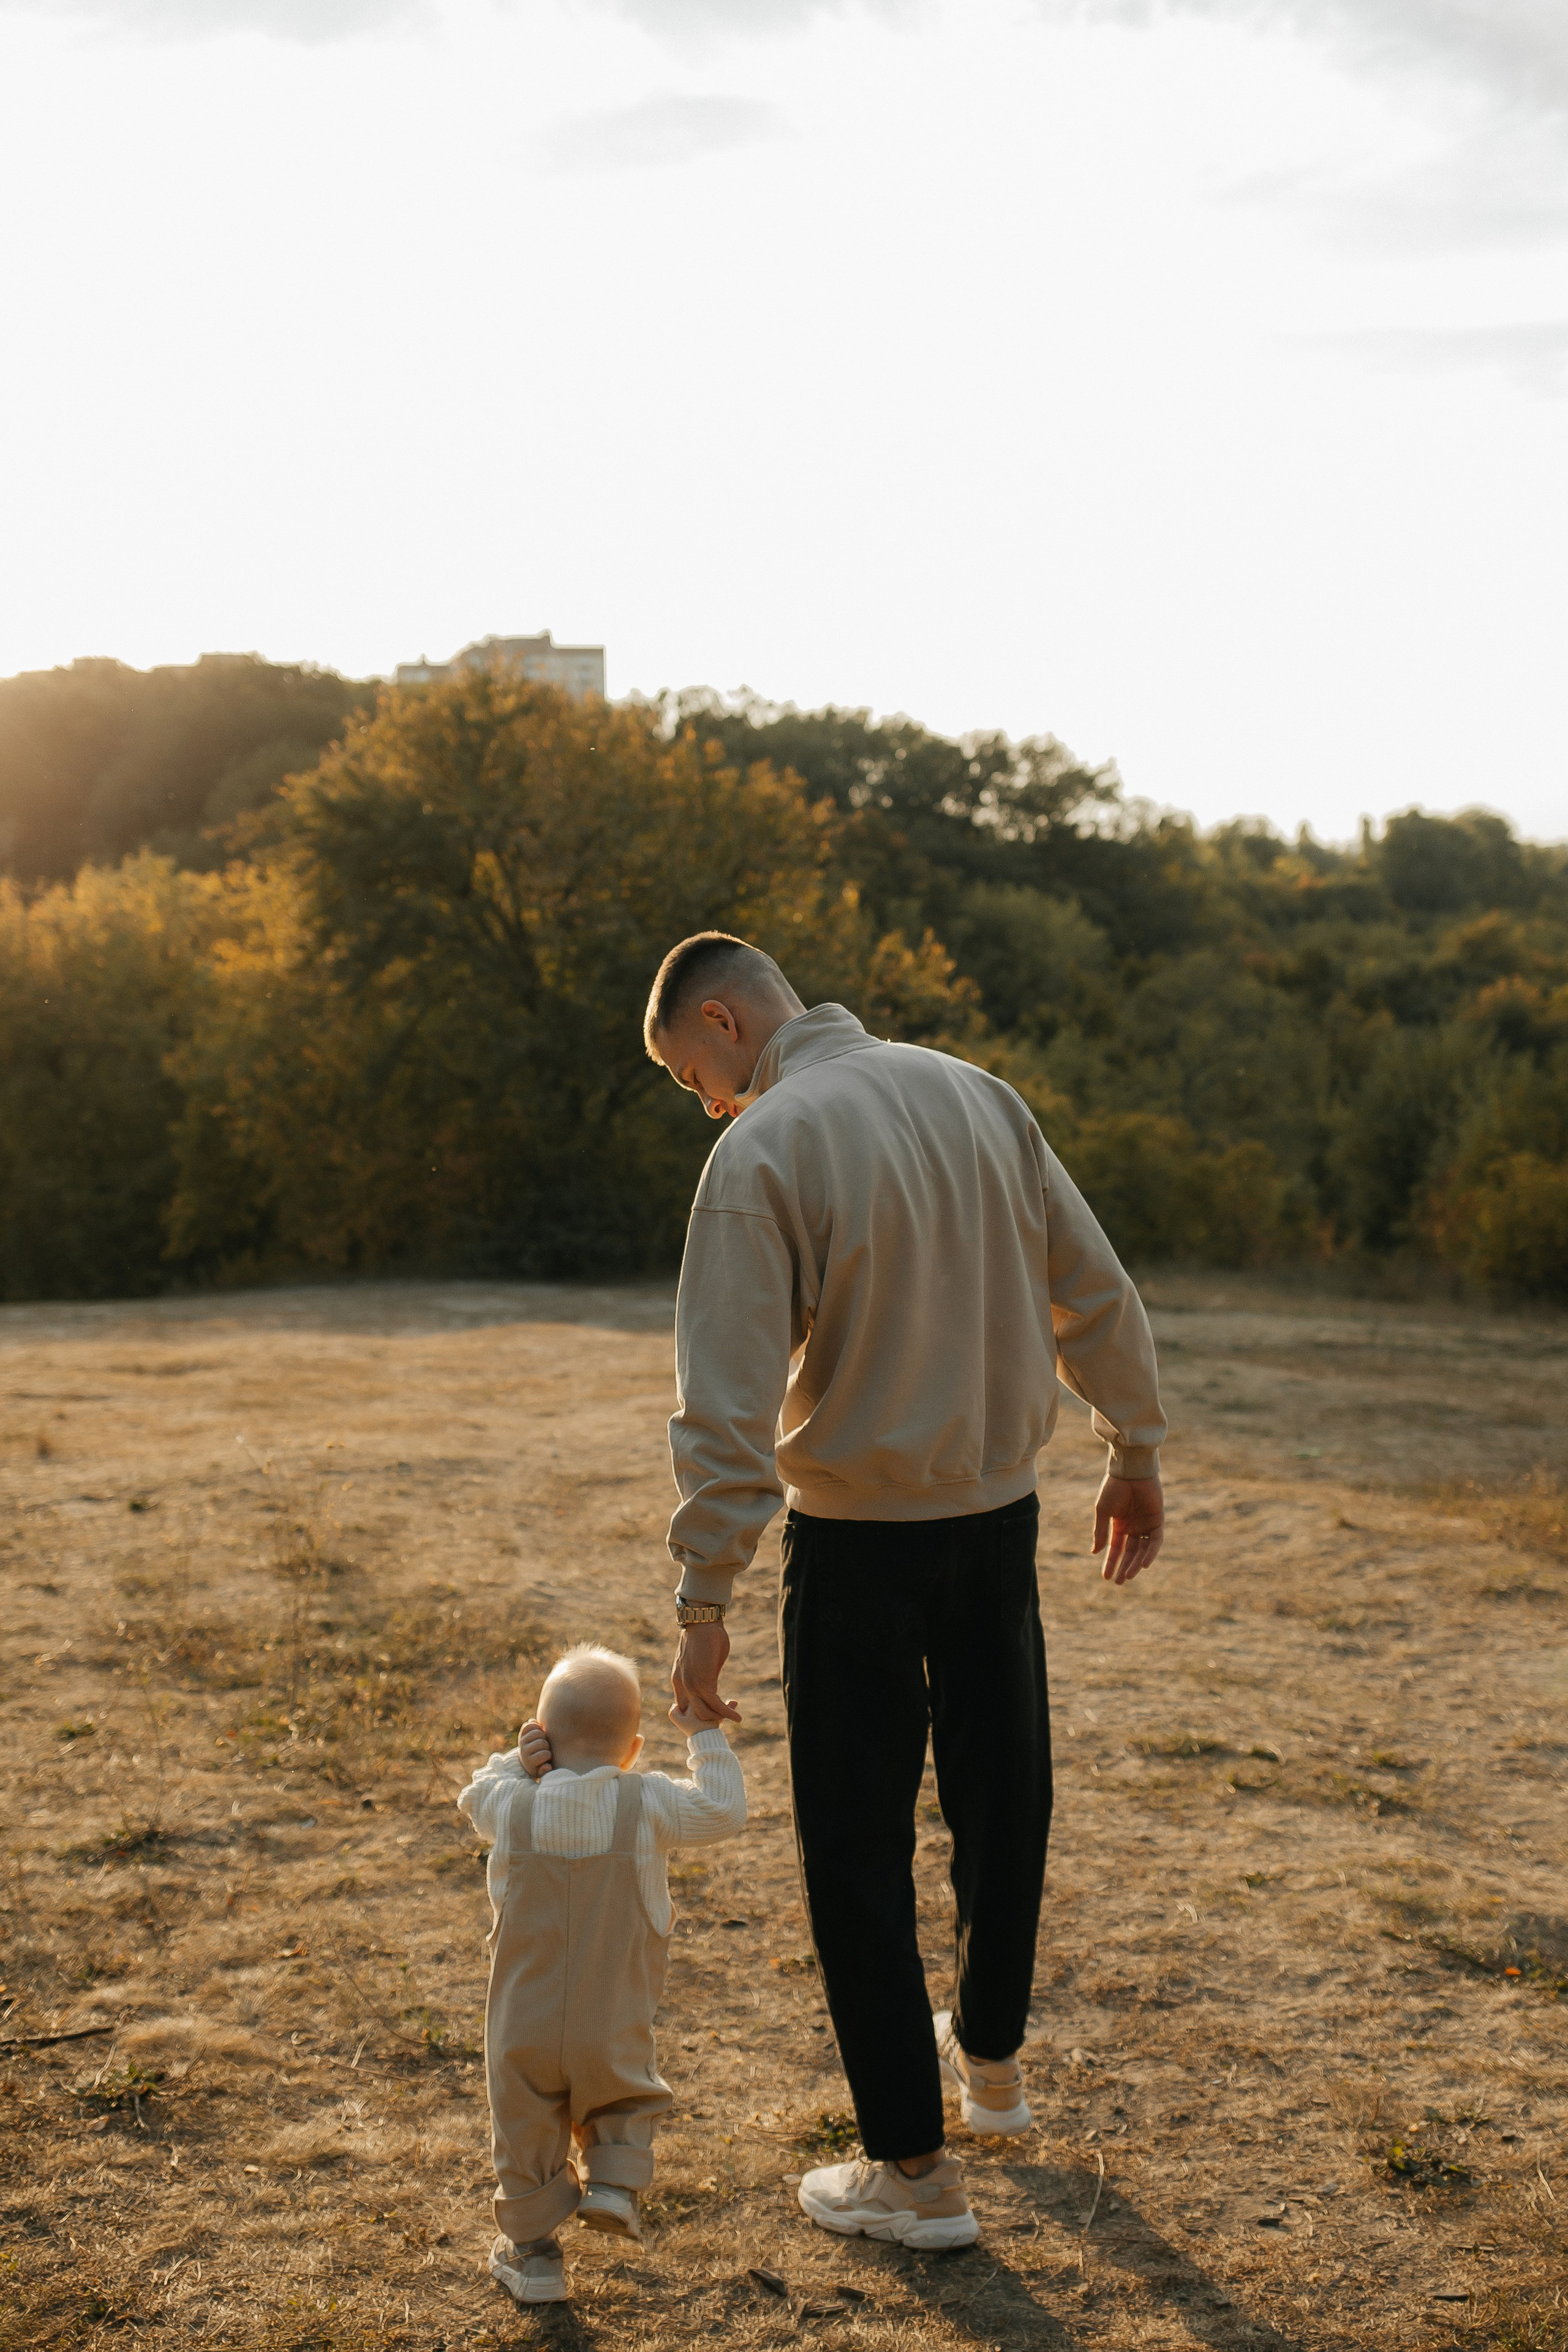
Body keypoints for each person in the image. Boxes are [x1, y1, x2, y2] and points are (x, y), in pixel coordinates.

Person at [643, 932, 1166, 2250]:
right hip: (996, 1526)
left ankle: (914, 2176)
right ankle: (987, 2067)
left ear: (722, 1018)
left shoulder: (759, 1151)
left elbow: (726, 1401)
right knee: (1006, 1798)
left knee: (856, 1852)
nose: (702, 1100)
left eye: (690, 1072)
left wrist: (703, 1601)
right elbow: (1090, 1285)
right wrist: (1133, 1446)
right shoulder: (975, 1091)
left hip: (861, 1543)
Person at [458, 1642, 746, 2302]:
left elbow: (473, 1794)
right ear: (633, 1749)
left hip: (522, 2027)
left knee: (524, 2124)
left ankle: (533, 2255)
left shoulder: (510, 1802)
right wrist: (704, 1734)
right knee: (623, 2092)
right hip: (609, 2018)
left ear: (543, 1739)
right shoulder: (645, 1803)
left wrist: (518, 1761)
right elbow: (726, 1811)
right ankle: (615, 2183)